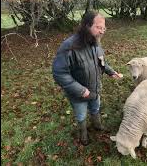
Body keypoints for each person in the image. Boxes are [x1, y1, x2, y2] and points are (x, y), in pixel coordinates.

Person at [52, 11, 123, 145]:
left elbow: (101, 62)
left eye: (104, 28)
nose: (102, 32)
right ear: (86, 26)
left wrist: (111, 72)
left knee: (95, 108)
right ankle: (83, 134)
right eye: (98, 27)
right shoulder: (69, 46)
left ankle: (97, 125)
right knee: (81, 115)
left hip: (95, 89)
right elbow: (59, 73)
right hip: (79, 94)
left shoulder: (96, 43)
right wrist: (81, 90)